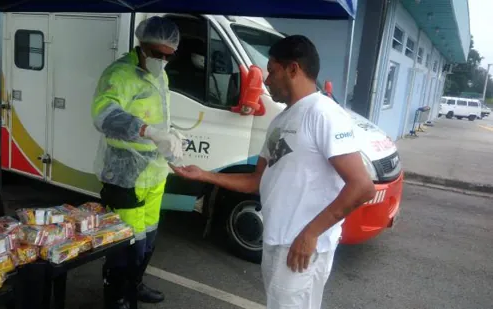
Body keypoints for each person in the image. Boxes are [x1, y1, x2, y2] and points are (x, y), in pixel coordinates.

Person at [170, 35, 376, 309]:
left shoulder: (323, 113)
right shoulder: (281, 119)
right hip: (277, 239)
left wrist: (310, 234)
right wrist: (205, 175)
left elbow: (362, 187)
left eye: (272, 71)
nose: (266, 80)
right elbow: (257, 181)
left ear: (293, 69)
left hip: (300, 245)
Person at [91, 16, 184, 309]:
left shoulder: (160, 76)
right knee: (125, 244)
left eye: (169, 56)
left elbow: (160, 115)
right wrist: (148, 131)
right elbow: (103, 115)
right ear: (142, 46)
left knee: (149, 238)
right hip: (124, 175)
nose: (163, 60)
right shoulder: (119, 74)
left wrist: (170, 136)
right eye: (157, 54)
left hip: (153, 174)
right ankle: (117, 297)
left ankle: (136, 284)